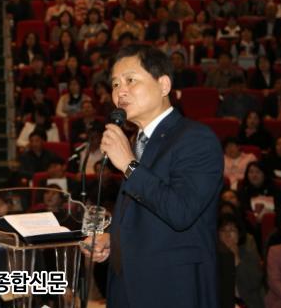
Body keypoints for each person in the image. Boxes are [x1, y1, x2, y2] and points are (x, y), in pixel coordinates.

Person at [83, 44, 223, 308]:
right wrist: (113, 241)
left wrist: (129, 165)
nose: (120, 91)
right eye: (115, 84)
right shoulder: (138, 144)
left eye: (130, 80)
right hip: (126, 289)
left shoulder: (196, 138)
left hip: (172, 290)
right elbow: (146, 216)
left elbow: (181, 211)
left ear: (164, 85)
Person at [217, 213, 266, 308]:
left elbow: (254, 283)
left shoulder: (248, 250)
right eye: (223, 230)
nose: (227, 235)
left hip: (248, 302)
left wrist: (237, 259)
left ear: (239, 234)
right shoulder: (213, 256)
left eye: (232, 230)